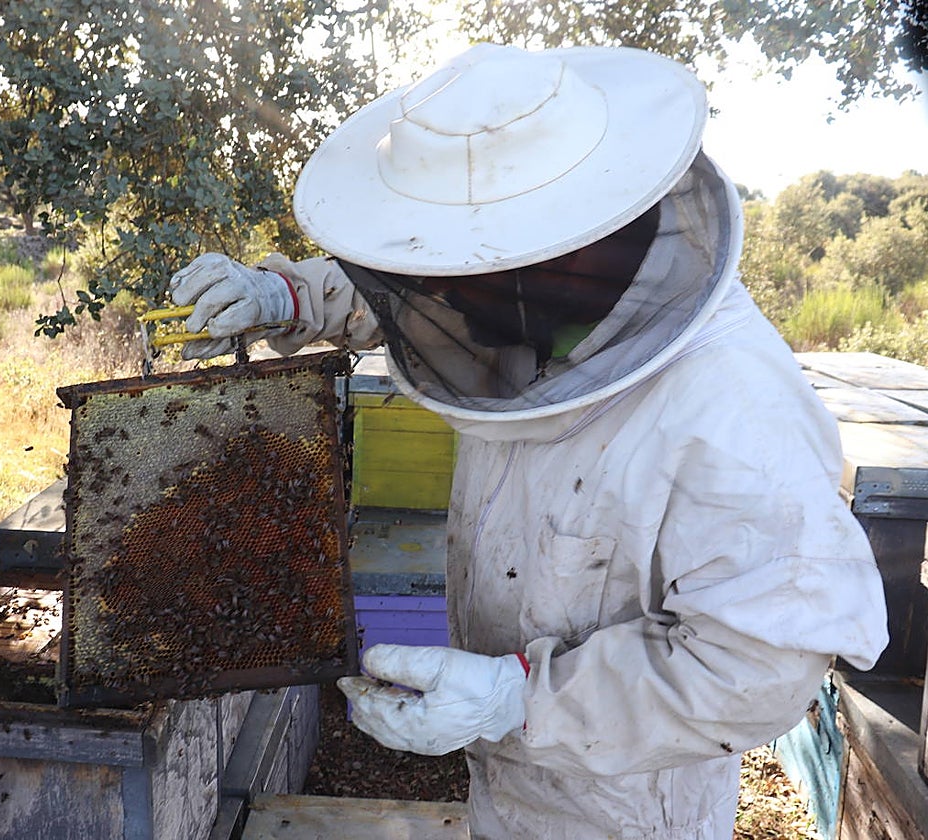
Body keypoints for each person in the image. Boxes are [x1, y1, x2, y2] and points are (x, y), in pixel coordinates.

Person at [167, 42, 888, 839]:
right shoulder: (533, 299)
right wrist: (288, 294)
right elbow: (411, 291)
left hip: (624, 809)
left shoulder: (736, 415)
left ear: (550, 253)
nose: (434, 291)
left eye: (459, 269)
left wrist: (520, 696)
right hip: (506, 787)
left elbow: (759, 669)